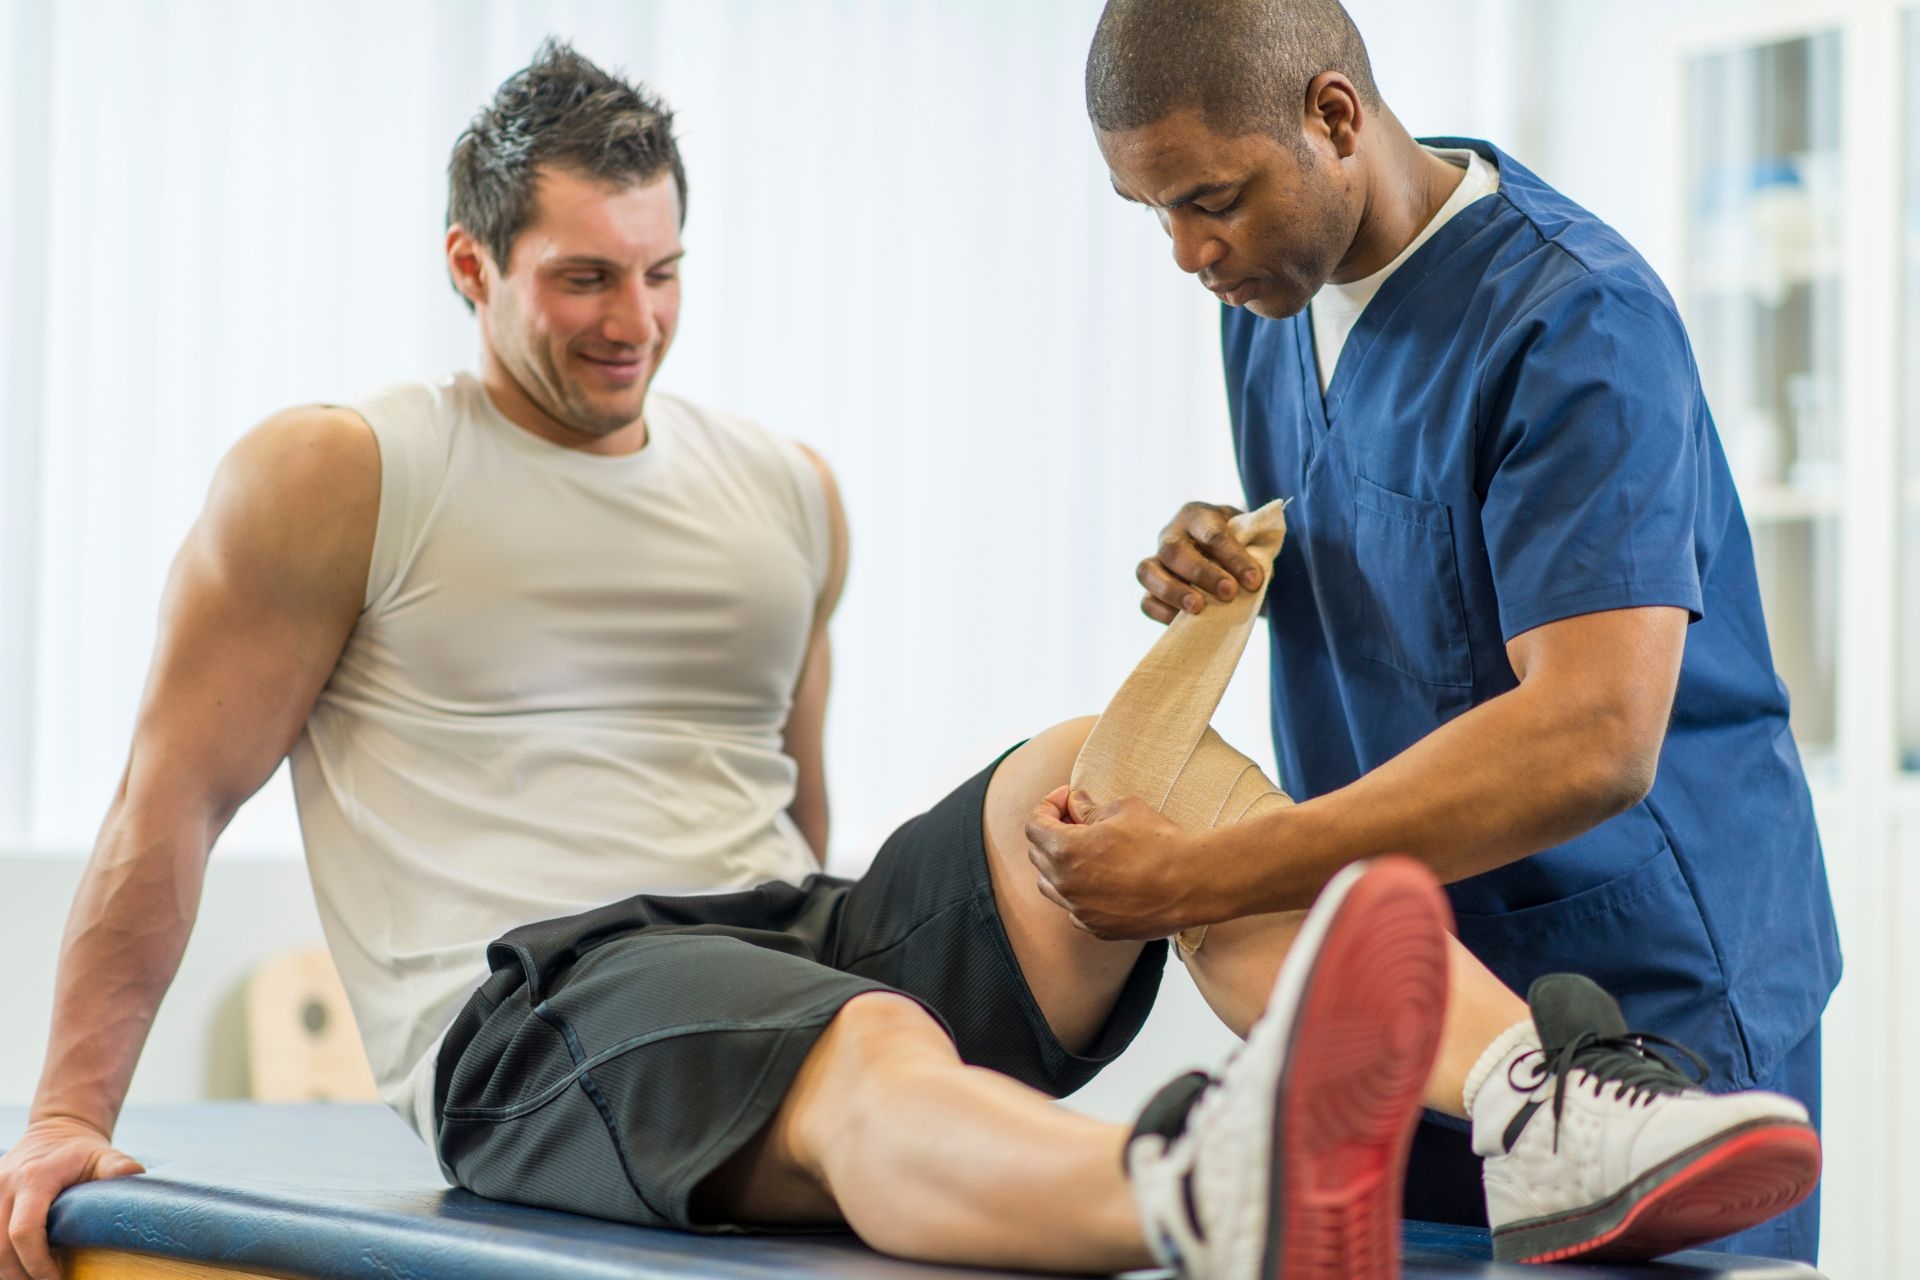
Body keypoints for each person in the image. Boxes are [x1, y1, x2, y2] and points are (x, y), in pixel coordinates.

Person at [0, 40, 1815, 1280]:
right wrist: (70, 1116)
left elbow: (800, 808)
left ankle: (1538, 1099)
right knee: (863, 1039)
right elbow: (173, 794)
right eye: (578, 281)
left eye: (660, 271)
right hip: (538, 1000)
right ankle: (1199, 1187)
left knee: (1094, 764)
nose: (632, 321)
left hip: (774, 940)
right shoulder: (342, 471)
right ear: (470, 266)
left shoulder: (783, 493)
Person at [1026, 0, 1843, 1265]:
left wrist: (1210, 876)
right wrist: (1230, 550)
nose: (1187, 251)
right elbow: (1396, 538)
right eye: (1156, 213)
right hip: (1415, 985)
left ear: (1333, 117)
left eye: (1212, 199)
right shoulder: (1270, 304)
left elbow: (1594, 734)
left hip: (1641, 981)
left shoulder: (1576, 319)